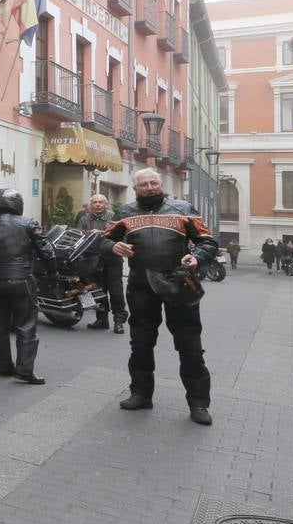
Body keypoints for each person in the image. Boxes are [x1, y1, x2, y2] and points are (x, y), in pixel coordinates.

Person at [103, 168, 218, 426]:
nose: (150, 187)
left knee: (190, 346)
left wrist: (197, 258)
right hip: (141, 287)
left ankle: (199, 403)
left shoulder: (182, 208)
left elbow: (209, 242)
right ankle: (141, 394)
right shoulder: (125, 213)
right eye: (144, 184)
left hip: (179, 285)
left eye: (154, 182)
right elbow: (103, 241)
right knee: (141, 344)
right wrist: (113, 246)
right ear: (136, 189)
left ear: (161, 183)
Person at [0, 189, 54, 384]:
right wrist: (53, 273)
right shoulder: (28, 223)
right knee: (26, 325)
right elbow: (47, 251)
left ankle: (4, 367)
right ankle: (24, 369)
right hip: (21, 280)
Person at [75, 194, 127, 333]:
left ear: (106, 205)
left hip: (112, 259)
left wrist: (102, 233)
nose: (97, 204)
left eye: (100, 202)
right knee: (97, 291)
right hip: (92, 261)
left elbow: (121, 236)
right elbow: (78, 236)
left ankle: (119, 321)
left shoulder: (114, 218)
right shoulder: (83, 219)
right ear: (90, 205)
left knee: (116, 291)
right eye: (95, 202)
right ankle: (101, 320)